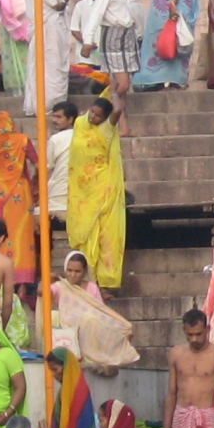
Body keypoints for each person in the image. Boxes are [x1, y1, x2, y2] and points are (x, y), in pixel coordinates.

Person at [66, 98, 127, 289]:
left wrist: (116, 91)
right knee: (84, 234)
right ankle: (85, 281)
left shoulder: (107, 129)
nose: (92, 117)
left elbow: (117, 110)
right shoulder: (80, 124)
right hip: (80, 193)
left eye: (98, 115)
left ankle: (103, 284)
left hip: (102, 191)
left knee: (105, 237)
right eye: (92, 112)